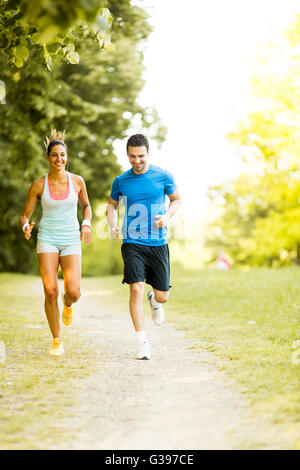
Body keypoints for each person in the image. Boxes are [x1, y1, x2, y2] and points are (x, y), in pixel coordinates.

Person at [106, 134, 181, 360]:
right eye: (132, 156)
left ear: (148, 153)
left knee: (163, 296)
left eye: (140, 156)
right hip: (132, 242)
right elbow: (111, 206)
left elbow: (176, 199)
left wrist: (167, 216)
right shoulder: (121, 181)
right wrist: (112, 224)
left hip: (158, 243)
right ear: (127, 155)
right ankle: (143, 343)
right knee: (135, 287)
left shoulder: (163, 176)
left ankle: (154, 301)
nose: (136, 160)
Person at [19, 129, 92, 356]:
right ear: (47, 158)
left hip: (71, 239)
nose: (59, 159)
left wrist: (87, 223)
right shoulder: (39, 185)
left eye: (63, 155)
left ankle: (68, 304)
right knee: (50, 291)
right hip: (47, 239)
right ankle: (57, 340)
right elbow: (25, 215)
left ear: (67, 156)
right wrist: (25, 226)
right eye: (54, 155)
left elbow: (86, 206)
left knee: (74, 291)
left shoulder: (77, 181)